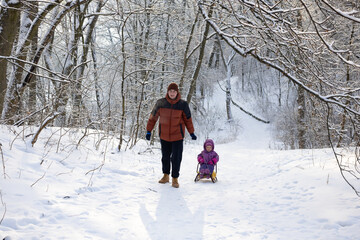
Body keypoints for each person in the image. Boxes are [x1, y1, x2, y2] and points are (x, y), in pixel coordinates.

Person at [146, 82, 197, 188]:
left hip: (177, 136)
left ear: (177, 92)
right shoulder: (160, 103)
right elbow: (153, 117)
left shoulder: (183, 105)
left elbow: (188, 120)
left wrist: (191, 132)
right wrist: (148, 130)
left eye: (174, 91)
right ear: (167, 92)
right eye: (170, 91)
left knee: (176, 158)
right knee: (165, 157)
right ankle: (165, 176)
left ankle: (175, 178)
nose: (172, 93)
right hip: (164, 136)